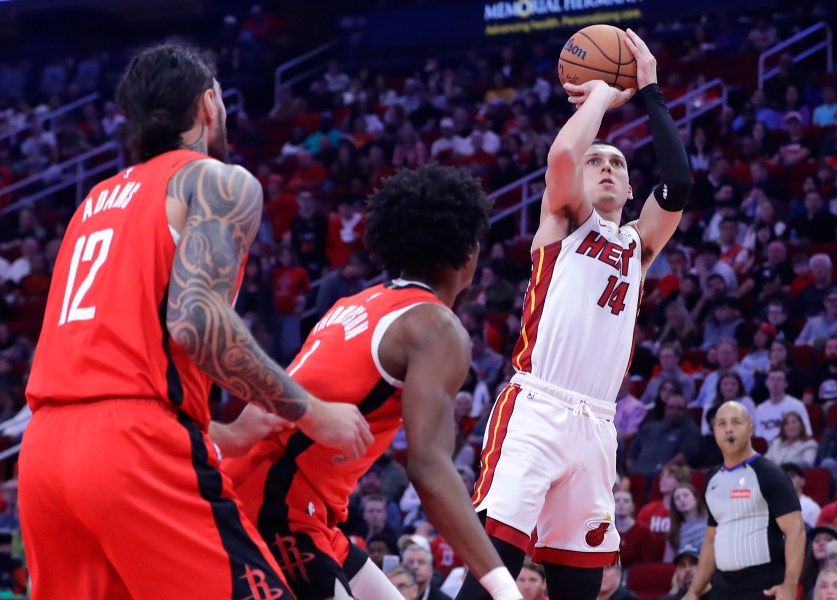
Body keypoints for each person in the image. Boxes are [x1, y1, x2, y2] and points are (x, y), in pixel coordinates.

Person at [19, 42, 373, 600]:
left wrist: (225, 434)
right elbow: (195, 319)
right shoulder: (215, 180)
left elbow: (104, 366)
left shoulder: (92, 203)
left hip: (43, 458)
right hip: (132, 451)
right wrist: (312, 411)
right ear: (209, 104)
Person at [462, 29, 693, 600]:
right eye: (598, 161)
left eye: (617, 162)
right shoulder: (564, 221)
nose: (608, 167)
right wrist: (599, 95)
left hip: (597, 424)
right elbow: (564, 154)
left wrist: (651, 92)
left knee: (578, 585)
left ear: (631, 184)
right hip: (537, 406)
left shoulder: (640, 243)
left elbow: (681, 182)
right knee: (496, 570)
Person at [223, 164, 523, 600]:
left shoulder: (353, 303)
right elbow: (428, 464)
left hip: (301, 508)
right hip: (273, 509)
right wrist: (503, 588)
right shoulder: (435, 326)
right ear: (470, 254)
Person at [685, 402, 805, 600]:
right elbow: (711, 538)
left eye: (736, 422)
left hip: (763, 585)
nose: (728, 428)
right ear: (714, 431)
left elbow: (796, 530)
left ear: (750, 430)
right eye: (721, 424)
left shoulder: (770, 473)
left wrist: (789, 586)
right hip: (723, 586)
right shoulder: (712, 479)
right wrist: (694, 592)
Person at [666, 484, 708, 561]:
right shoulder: (674, 530)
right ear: (675, 506)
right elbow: (667, 561)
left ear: (696, 498)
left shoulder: (711, 521)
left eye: (686, 495)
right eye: (677, 498)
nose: (681, 499)